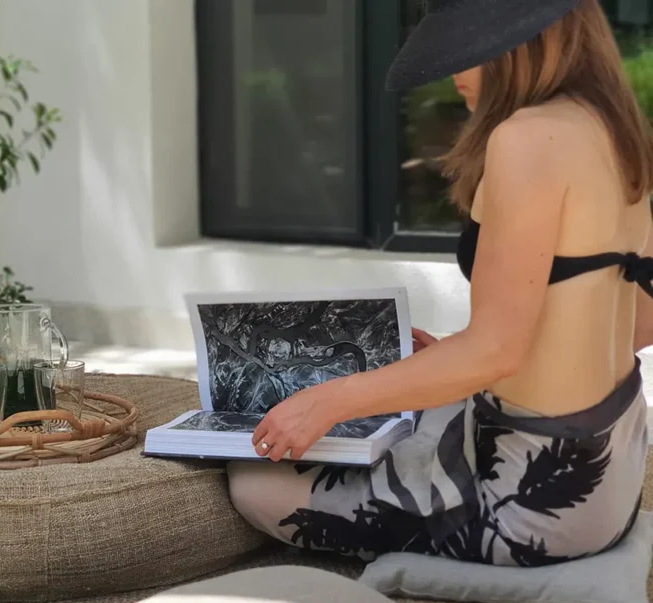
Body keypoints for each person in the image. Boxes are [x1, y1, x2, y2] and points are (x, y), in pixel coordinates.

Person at [227, 0, 653, 567]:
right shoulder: (615, 131)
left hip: (530, 502)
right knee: (401, 407)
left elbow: (497, 349)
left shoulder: (526, 138)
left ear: (525, 40)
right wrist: (457, 362)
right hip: (610, 468)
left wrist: (328, 401)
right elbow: (638, 320)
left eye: (468, 45)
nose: (454, 68)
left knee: (254, 483)